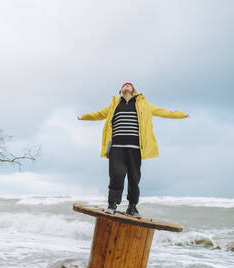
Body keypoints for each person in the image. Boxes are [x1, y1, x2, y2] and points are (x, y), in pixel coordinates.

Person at [77, 82, 190, 216]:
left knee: (134, 178)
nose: (126, 85)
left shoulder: (143, 104)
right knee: (116, 175)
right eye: (124, 85)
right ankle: (112, 204)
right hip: (116, 148)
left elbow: (162, 112)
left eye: (129, 85)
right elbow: (97, 114)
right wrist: (82, 117)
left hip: (135, 148)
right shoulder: (114, 105)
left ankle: (132, 206)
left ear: (134, 90)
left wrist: (180, 114)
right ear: (121, 90)